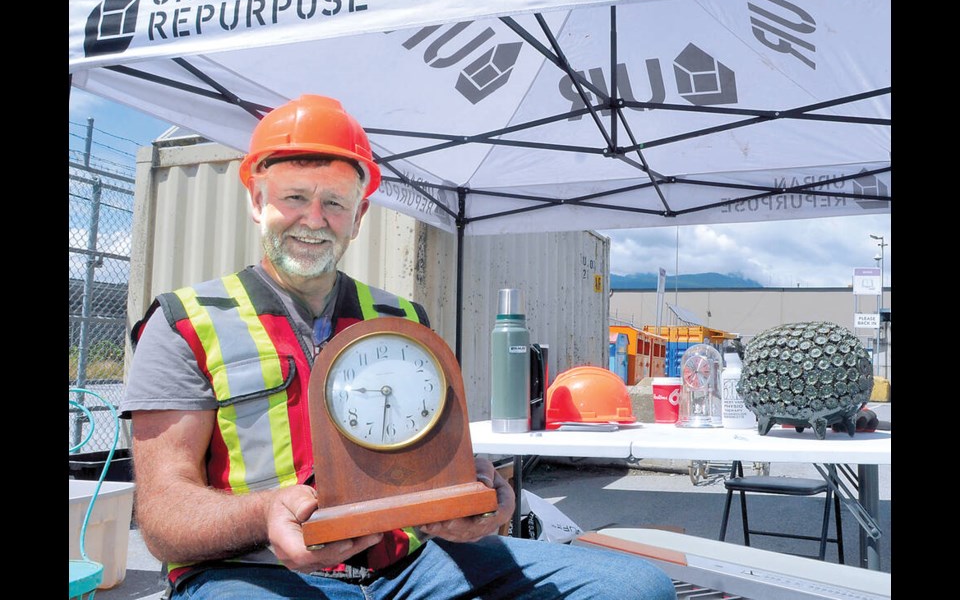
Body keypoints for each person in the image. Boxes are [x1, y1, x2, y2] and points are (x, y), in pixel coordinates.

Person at [121, 94, 678, 600]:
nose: (314, 221)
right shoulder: (187, 324)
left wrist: (481, 491)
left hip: (413, 567)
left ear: (359, 217)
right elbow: (164, 515)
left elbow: (434, 453)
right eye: (294, 198)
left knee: (636, 588)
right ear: (257, 200)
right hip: (256, 574)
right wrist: (268, 511)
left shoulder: (402, 319)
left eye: (336, 204)